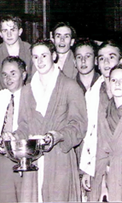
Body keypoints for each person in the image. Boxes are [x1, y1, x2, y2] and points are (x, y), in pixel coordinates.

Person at [12, 39, 87, 202]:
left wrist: (57, 136)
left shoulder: (70, 86)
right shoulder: (26, 90)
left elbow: (78, 126)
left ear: (53, 56)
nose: (39, 61)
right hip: (33, 162)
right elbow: (23, 125)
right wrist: (14, 137)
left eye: (44, 55)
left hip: (59, 158)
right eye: (35, 57)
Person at [79, 40, 122, 201]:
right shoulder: (93, 93)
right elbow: (91, 135)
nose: (106, 62)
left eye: (111, 57)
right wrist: (88, 169)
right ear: (97, 62)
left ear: (121, 61)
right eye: (102, 58)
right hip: (103, 167)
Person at [0, 56, 27, 203]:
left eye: (13, 73)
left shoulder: (32, 97)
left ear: (23, 75)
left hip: (25, 158)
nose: (8, 78)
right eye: (4, 74)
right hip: (4, 158)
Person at [0, 14, 33, 91]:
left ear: (20, 31)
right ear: (0, 33)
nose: (9, 34)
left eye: (13, 30)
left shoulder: (30, 51)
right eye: (5, 31)